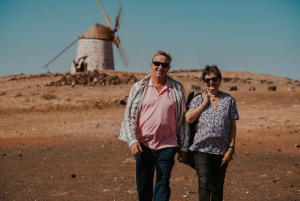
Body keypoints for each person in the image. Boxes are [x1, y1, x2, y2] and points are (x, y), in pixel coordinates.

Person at [119, 50, 189, 201]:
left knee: (163, 184)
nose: (160, 67)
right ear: (151, 65)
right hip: (143, 144)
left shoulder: (177, 88)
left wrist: (184, 146)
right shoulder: (139, 87)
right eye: (157, 63)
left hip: (168, 144)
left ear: (168, 68)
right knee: (144, 185)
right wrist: (132, 141)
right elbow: (129, 116)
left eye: (164, 64)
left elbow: (183, 119)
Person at [185, 65, 239, 201]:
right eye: (207, 79)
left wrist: (231, 148)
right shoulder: (198, 98)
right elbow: (188, 118)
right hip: (201, 149)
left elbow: (232, 126)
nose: (211, 82)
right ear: (204, 81)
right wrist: (204, 103)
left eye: (214, 79)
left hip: (221, 150)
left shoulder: (229, 100)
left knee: (217, 186)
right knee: (204, 185)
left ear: (220, 80)